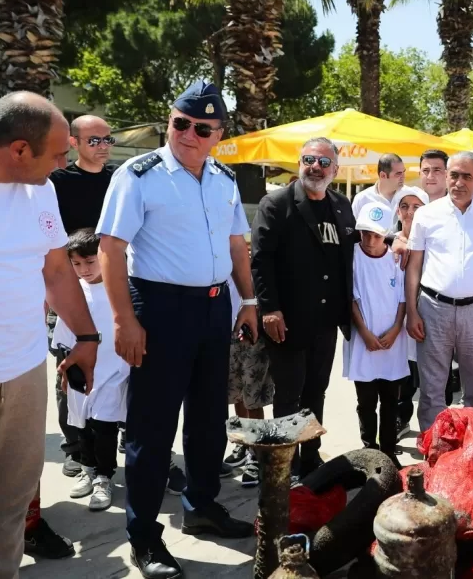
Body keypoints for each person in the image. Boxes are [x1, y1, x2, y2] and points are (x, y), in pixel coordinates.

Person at [97, 81, 258, 578]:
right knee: (152, 427)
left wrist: (248, 300)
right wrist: (124, 320)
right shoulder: (138, 174)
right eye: (180, 123)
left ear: (218, 134)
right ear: (170, 122)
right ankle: (144, 535)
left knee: (209, 419)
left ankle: (201, 505)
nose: (188, 134)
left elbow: (236, 246)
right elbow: (111, 249)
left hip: (214, 308)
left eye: (201, 128)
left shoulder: (224, 178)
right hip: (160, 309)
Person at [0, 92, 100, 577]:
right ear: (19, 149)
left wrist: (86, 337)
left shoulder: (42, 189)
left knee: (4, 509)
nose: (64, 163)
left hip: (22, 373)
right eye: (59, 153)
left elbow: (56, 270)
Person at [251, 137, 356, 481]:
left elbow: (350, 257)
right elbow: (261, 260)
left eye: (324, 163)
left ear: (335, 171)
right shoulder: (276, 203)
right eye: (309, 159)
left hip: (325, 322)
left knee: (316, 392)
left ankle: (310, 460)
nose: (315, 167)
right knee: (288, 395)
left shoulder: (342, 205)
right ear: (299, 162)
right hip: (288, 320)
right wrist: (269, 308)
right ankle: (283, 467)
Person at [405, 151, 473, 431]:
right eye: (454, 175)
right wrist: (412, 310)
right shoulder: (427, 215)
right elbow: (414, 265)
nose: (459, 182)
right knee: (431, 391)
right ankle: (434, 453)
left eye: (467, 176)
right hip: (433, 309)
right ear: (446, 176)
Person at [48, 114, 118, 477]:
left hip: (114, 289)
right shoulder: (56, 182)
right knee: (70, 368)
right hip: (68, 288)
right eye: (95, 140)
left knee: (120, 368)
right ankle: (76, 446)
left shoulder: (119, 180)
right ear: (73, 142)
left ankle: (113, 438)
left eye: (108, 138)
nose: (104, 145)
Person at [54, 229, 128, 513]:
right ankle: (87, 468)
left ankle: (104, 477)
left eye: (90, 262)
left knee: (105, 425)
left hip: (113, 370)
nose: (84, 270)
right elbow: (63, 336)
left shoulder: (118, 287)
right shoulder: (72, 292)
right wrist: (65, 371)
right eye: (77, 264)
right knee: (81, 423)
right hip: (79, 371)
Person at [344, 202, 408, 467]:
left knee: (390, 400)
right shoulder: (352, 256)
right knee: (366, 401)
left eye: (377, 235)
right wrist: (365, 333)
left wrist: (395, 330)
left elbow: (403, 299)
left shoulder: (396, 258)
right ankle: (369, 450)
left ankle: (389, 452)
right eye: (366, 233)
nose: (370, 240)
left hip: (393, 340)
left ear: (387, 234)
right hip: (364, 341)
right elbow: (352, 298)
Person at [224, 238, 273, 489]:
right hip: (227, 339)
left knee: (254, 398)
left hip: (253, 339)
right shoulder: (222, 269)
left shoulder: (258, 272)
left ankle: (258, 453)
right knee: (236, 396)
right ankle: (243, 444)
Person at [392, 186, 430, 439]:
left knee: (428, 376)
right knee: (399, 376)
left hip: (427, 315)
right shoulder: (385, 240)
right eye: (405, 206)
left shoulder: (434, 241)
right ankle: (399, 419)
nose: (410, 212)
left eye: (417, 207)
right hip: (393, 319)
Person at [351, 153, 405, 217]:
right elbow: (353, 225)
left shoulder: (410, 195)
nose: (403, 176)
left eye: (404, 172)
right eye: (398, 173)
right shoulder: (362, 199)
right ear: (383, 175)